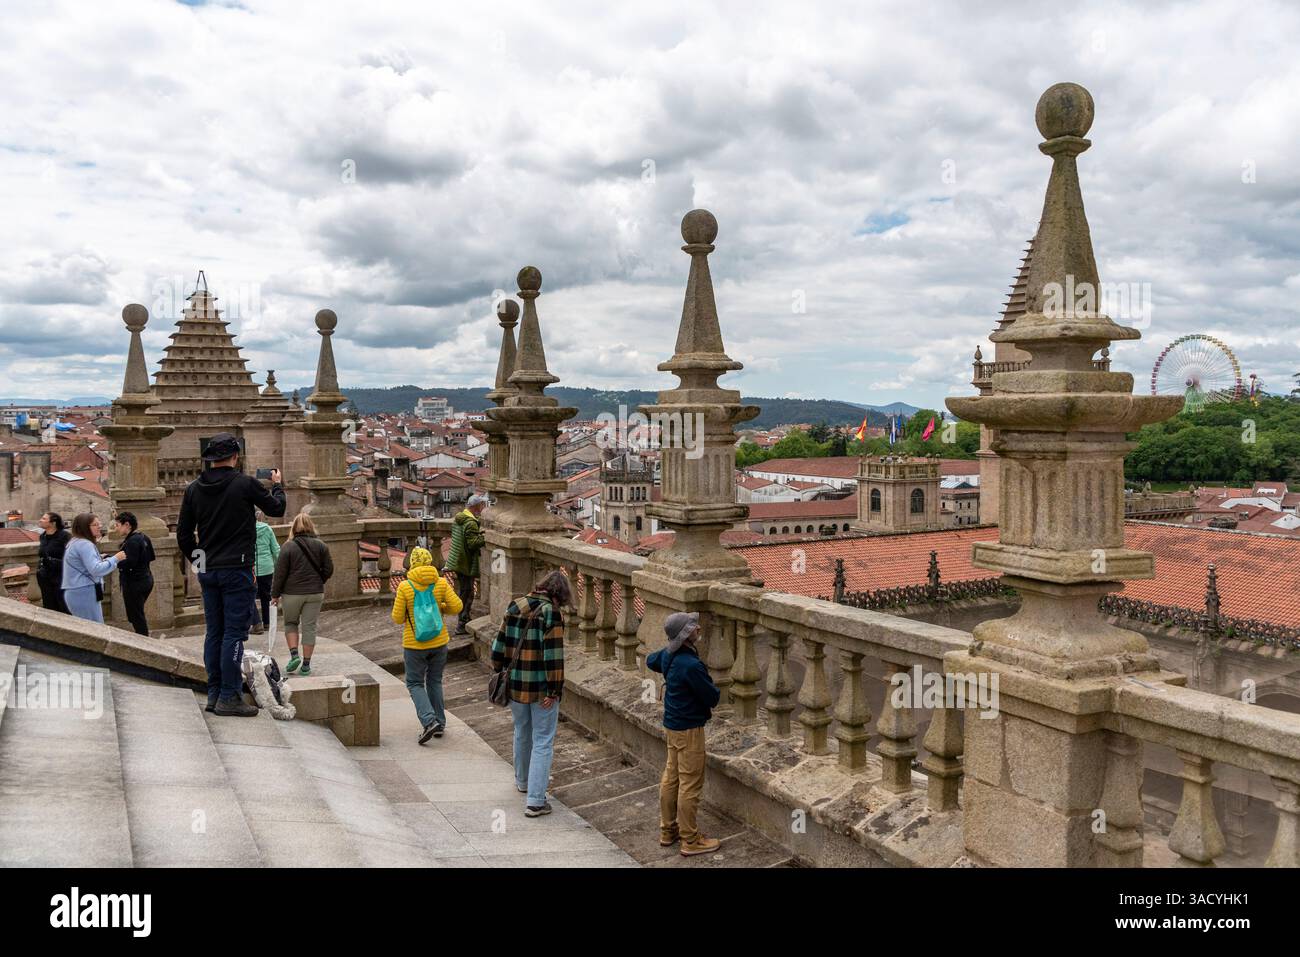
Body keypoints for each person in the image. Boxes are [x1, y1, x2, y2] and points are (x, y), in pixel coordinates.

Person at [176, 433, 286, 717]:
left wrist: (199, 561)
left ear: (209, 460)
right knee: (234, 635)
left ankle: (214, 694)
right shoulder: (244, 484)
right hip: (237, 569)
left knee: (214, 632)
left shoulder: (193, 489)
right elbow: (277, 509)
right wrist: (278, 486)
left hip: (208, 571)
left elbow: (184, 534)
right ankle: (229, 695)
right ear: (235, 457)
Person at [490, 570, 570, 818]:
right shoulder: (551, 613)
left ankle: (523, 782)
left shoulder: (516, 604)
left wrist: (500, 671)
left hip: (514, 684)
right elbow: (553, 657)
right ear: (560, 595)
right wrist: (555, 690)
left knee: (522, 731)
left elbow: (498, 647)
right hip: (541, 690)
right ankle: (536, 801)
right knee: (543, 740)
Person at [646, 612, 722, 857]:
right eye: (693, 626)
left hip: (672, 725)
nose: (698, 627)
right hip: (689, 728)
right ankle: (690, 840)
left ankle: (668, 830)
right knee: (690, 783)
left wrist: (669, 649)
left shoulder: (668, 656)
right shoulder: (691, 665)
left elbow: (650, 660)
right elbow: (712, 697)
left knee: (671, 777)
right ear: (686, 635)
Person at [390, 546, 461, 744]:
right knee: (434, 681)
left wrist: (409, 613)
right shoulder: (440, 582)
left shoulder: (405, 586)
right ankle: (440, 722)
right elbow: (457, 606)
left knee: (414, 683)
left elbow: (397, 618)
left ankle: (429, 721)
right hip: (439, 642)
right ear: (430, 562)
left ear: (412, 563)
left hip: (415, 644)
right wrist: (440, 607)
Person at [271, 511, 333, 676]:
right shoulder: (321, 545)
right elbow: (329, 569)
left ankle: (294, 656)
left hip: (291, 593)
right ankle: (306, 665)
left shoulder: (288, 546)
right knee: (309, 628)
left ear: (294, 527)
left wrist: (274, 595)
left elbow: (280, 574)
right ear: (311, 526)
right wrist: (319, 581)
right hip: (315, 592)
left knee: (291, 623)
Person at [61, 513, 127, 624]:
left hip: (77, 591)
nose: (99, 526)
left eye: (99, 523)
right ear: (85, 527)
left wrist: (98, 558)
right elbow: (96, 570)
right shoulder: (85, 544)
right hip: (84, 592)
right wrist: (115, 558)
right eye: (95, 524)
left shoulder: (75, 542)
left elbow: (80, 562)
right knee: (94, 629)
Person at [443, 493, 488, 635]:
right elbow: (472, 543)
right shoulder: (470, 523)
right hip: (465, 562)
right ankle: (462, 623)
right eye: (482, 505)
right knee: (467, 593)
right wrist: (485, 537)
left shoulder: (460, 518)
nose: (483, 507)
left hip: (457, 560)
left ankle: (464, 619)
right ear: (476, 507)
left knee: (463, 591)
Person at [113, 512, 156, 636]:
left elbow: (129, 563)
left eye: (117, 525)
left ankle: (144, 642)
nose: (116, 528)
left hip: (135, 584)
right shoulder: (143, 537)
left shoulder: (132, 541)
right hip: (146, 579)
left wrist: (111, 560)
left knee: (137, 616)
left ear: (127, 525)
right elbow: (150, 557)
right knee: (137, 613)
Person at [249, 519, 280, 635]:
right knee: (266, 596)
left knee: (249, 596)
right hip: (267, 567)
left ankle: (256, 623)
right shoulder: (267, 528)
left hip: (251, 568)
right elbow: (276, 550)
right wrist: (279, 567)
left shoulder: (244, 529)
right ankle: (267, 623)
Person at [35, 512, 70, 614]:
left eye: (44, 519)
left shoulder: (64, 536)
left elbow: (71, 557)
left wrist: (54, 562)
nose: (40, 520)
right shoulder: (42, 536)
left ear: (53, 523)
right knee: (49, 606)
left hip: (60, 576)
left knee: (63, 606)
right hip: (45, 577)